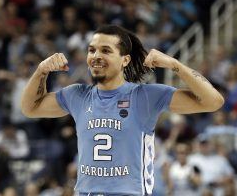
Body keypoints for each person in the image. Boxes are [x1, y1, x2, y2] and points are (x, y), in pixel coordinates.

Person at [21, 25, 224, 196]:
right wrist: (41, 71)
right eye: (92, 50)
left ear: (125, 60)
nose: (96, 56)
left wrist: (174, 64)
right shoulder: (77, 95)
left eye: (106, 51)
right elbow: (30, 108)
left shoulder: (144, 96)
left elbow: (213, 101)